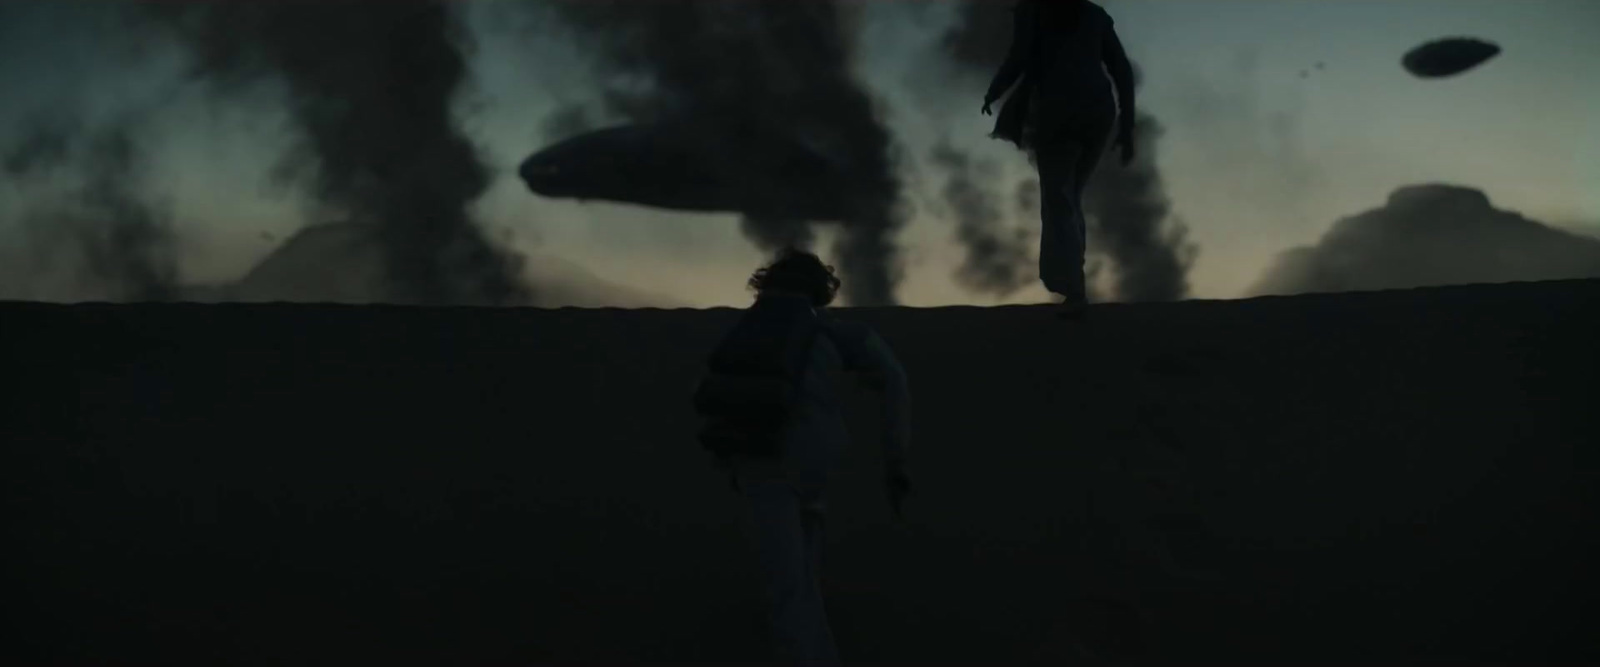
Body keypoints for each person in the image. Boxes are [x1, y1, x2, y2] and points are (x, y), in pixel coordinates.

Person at [692, 248, 912, 665]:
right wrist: (895, 458)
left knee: (786, 581)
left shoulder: (743, 332)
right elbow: (894, 379)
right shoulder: (836, 334)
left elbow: (711, 395)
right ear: (819, 290)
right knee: (803, 566)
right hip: (818, 460)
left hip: (761, 461)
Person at [982, 0, 1138, 319]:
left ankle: (1074, 288)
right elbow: (1120, 68)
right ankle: (1073, 284)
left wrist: (995, 90)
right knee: (1070, 197)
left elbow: (1019, 59)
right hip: (1097, 112)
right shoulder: (1093, 14)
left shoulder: (1033, 13)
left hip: (1059, 115)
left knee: (1059, 199)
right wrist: (1126, 125)